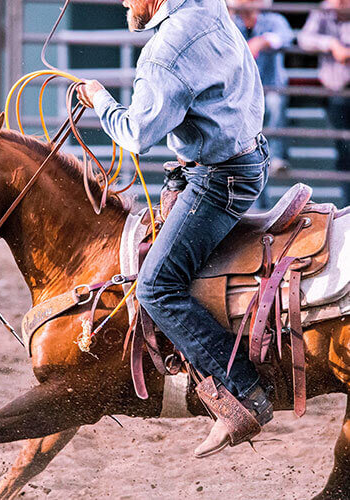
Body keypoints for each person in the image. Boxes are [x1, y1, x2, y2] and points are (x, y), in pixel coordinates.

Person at [77, 0, 273, 457]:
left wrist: (101, 101)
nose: (124, 2)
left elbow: (137, 134)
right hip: (246, 157)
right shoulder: (207, 5)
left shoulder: (164, 53)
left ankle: (243, 392)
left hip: (217, 180)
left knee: (156, 287)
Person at [231, 0, 294, 178]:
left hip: (270, 85)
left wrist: (262, 40)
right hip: (242, 90)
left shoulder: (273, 19)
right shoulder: (230, 21)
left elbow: (286, 36)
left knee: (274, 103)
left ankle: (277, 157)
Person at [298, 0, 350, 207]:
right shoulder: (323, 11)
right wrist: (331, 44)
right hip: (336, 90)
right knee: (345, 151)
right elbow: (304, 39)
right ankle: (349, 206)